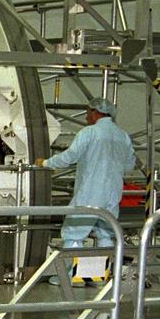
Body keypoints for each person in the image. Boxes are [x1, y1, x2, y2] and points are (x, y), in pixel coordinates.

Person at [36, 96, 134, 249]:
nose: (86, 116)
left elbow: (70, 156)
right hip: (113, 194)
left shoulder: (89, 132)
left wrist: (46, 163)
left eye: (88, 112)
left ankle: (72, 273)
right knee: (106, 235)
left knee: (74, 235)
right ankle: (104, 272)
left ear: (96, 112)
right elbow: (129, 166)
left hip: (90, 192)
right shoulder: (123, 136)